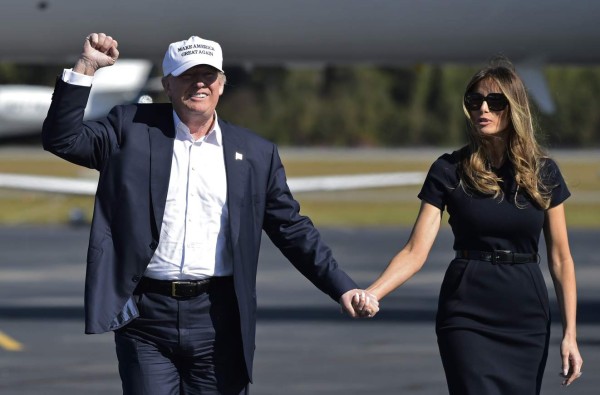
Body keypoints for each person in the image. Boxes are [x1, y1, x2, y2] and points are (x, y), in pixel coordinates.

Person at [42, 33, 377, 395]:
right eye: (187, 75)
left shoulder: (255, 153)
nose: (199, 83)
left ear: (221, 84)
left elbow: (290, 228)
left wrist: (341, 286)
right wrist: (86, 67)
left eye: (209, 75)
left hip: (219, 318)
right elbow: (62, 139)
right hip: (146, 316)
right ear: (168, 84)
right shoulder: (130, 127)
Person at [353, 57, 583, 393]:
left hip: (526, 313)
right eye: (474, 101)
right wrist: (373, 293)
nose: (482, 109)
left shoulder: (543, 172)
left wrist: (570, 334)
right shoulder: (448, 170)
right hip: (466, 311)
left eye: (494, 101)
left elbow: (562, 260)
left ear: (514, 108)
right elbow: (415, 251)